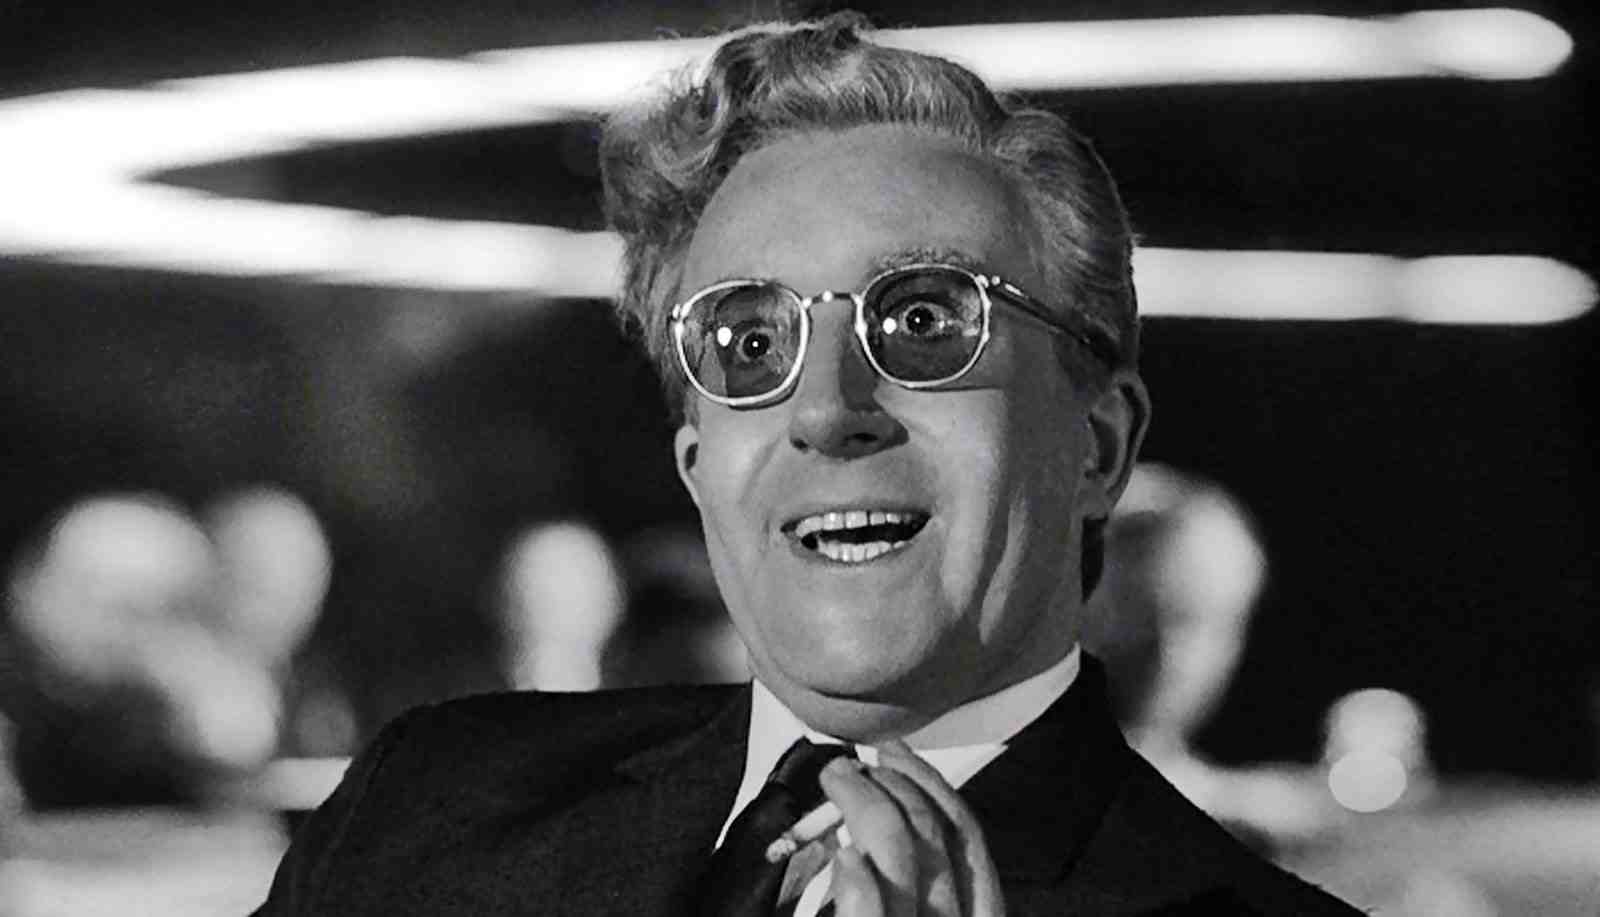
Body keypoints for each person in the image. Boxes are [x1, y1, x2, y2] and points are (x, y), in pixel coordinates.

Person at [253, 14, 1362, 915]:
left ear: (1097, 445)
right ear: (698, 464)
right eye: (749, 343)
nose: (827, 411)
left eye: (925, 322)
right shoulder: (423, 805)